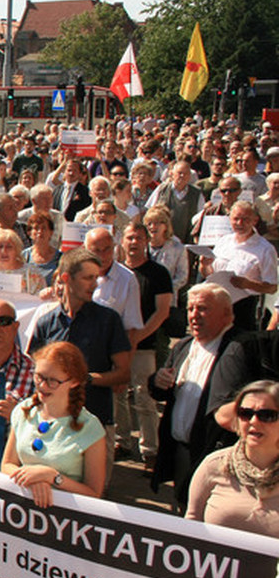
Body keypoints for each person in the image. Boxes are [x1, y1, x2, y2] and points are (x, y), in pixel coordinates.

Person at [30, 248, 131, 484]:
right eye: (88, 277)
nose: (94, 284)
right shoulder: (46, 323)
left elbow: (124, 372)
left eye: (96, 278)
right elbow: (34, 371)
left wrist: (88, 380)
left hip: (95, 423)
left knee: (94, 501)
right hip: (52, 427)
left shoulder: (109, 320)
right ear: (66, 278)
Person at [149, 283, 244, 511]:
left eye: (202, 309)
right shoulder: (183, 347)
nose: (194, 315)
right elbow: (158, 391)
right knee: (184, 507)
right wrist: (157, 380)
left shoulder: (238, 348)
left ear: (227, 314)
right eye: (190, 309)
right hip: (182, 452)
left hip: (216, 453)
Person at [2, 342, 107, 508]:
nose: (42, 386)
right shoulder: (23, 411)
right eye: (39, 377)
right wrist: (33, 480)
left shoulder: (90, 428)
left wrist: (53, 477)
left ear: (74, 382)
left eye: (52, 381)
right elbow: (7, 464)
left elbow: (94, 493)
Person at [186, 381, 279, 535]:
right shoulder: (214, 465)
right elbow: (191, 523)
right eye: (245, 414)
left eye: (266, 415)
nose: (254, 421)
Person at [117, 223, 173, 467]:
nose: (133, 242)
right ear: (122, 241)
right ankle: (122, 442)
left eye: (138, 238)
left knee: (145, 398)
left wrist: (137, 337)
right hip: (117, 347)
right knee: (118, 396)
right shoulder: (116, 272)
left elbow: (162, 312)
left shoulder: (158, 273)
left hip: (144, 345)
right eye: (129, 237)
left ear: (146, 241)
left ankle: (150, 450)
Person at [201, 201, 277, 331]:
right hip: (217, 303)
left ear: (255, 220)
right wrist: (204, 265)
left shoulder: (265, 249)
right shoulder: (224, 241)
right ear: (230, 219)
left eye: (245, 219)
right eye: (236, 219)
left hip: (243, 308)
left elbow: (272, 288)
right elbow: (210, 274)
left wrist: (248, 284)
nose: (239, 223)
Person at [0, 229, 46, 294]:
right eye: (0, 247)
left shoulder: (32, 273)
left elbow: (41, 299)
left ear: (16, 250)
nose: (4, 251)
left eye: (9, 247)